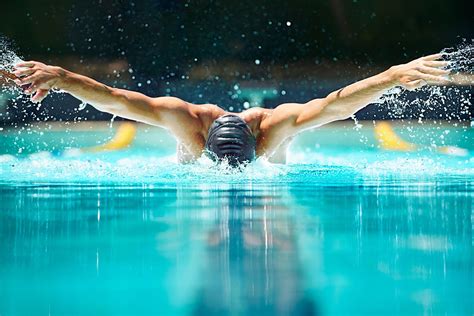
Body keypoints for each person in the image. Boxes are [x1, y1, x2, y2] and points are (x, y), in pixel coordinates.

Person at [10, 54, 453, 165]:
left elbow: (333, 105)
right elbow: (118, 97)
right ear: (202, 143)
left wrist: (391, 76)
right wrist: (63, 77)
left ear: (257, 145)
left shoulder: (276, 126)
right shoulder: (185, 120)